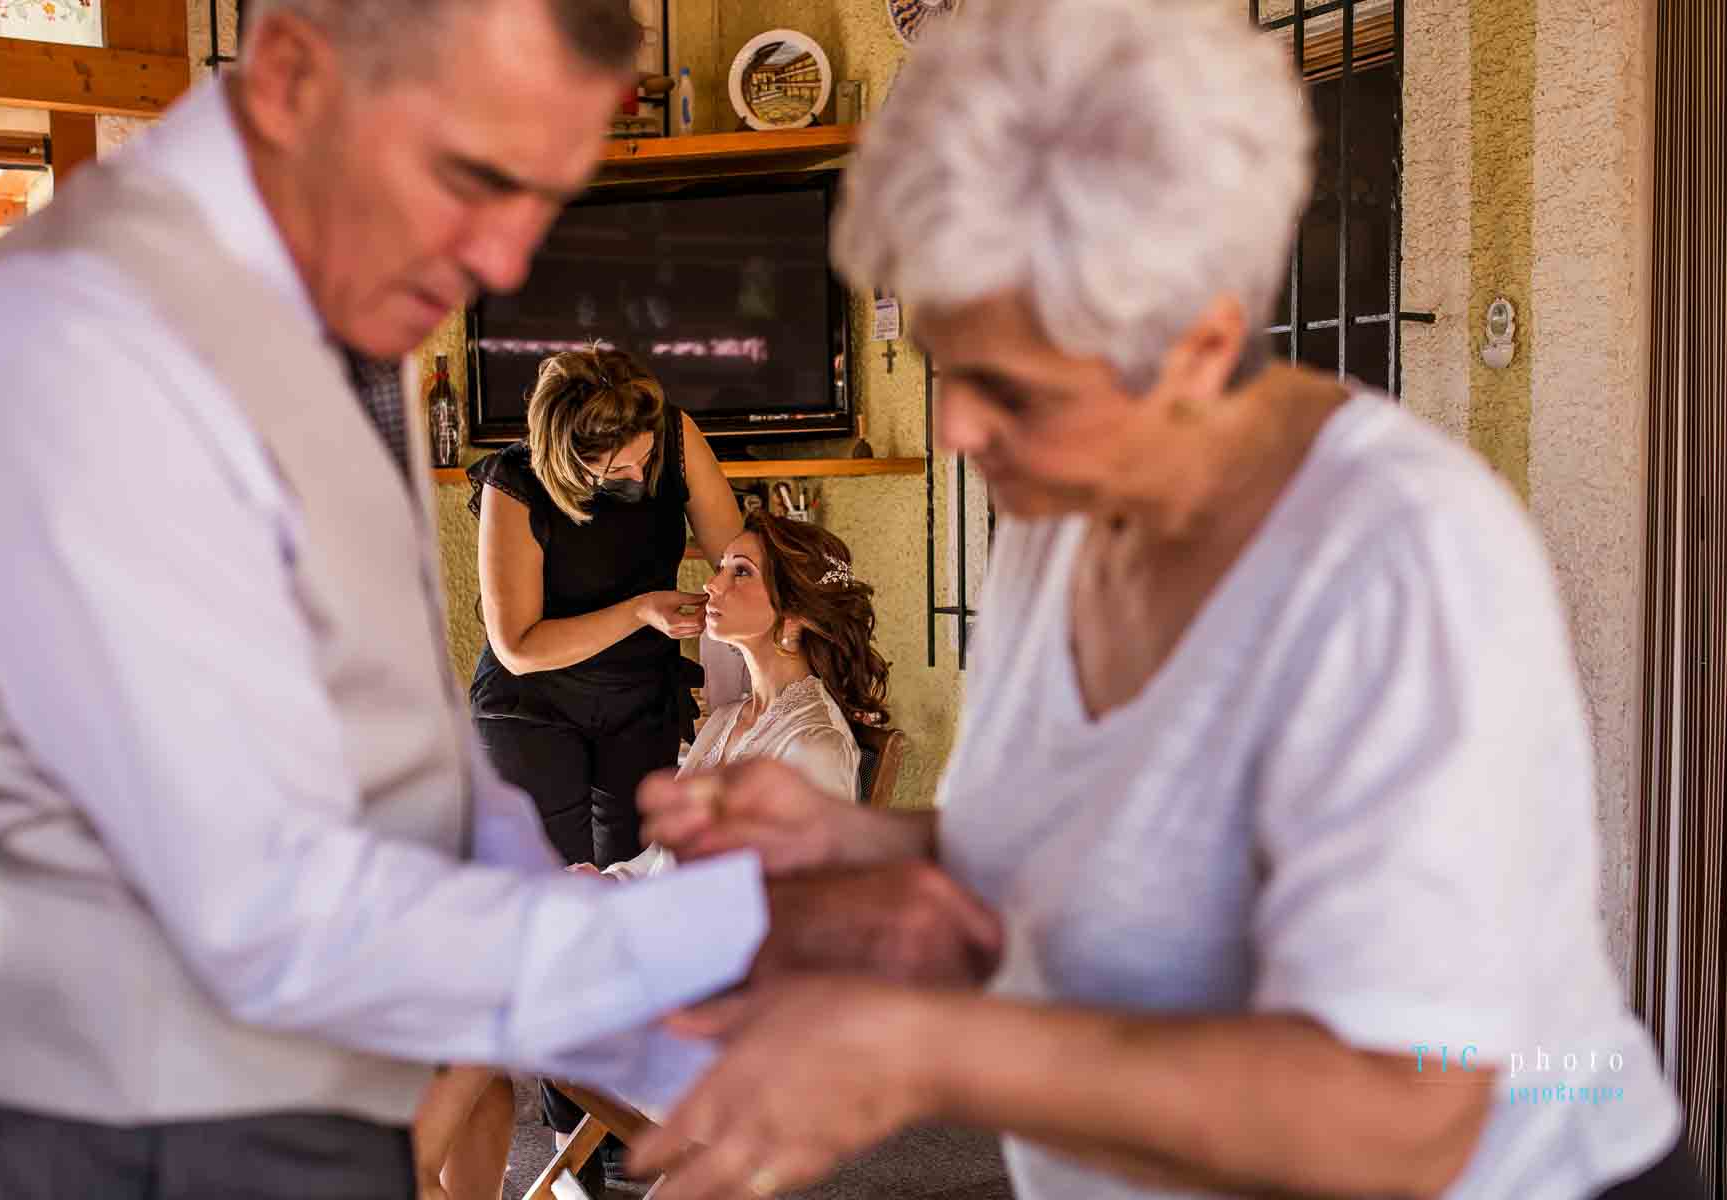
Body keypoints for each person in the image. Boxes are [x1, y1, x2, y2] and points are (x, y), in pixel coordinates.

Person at [0, 0, 1001, 1196]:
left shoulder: (340, 315)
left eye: (536, 198)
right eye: (472, 175)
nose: (497, 263)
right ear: (288, 73)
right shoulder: (78, 348)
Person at [628, 2, 1700, 1198]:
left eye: (1014, 387)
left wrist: (931, 1051)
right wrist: (861, 839)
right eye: (945, 359)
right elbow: (1102, 849)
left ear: (1199, 346)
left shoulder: (1399, 564)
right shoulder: (1062, 507)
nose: (957, 429)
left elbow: (1405, 1110)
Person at [420, 346, 743, 1197]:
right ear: (566, 456)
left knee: (622, 915)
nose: (640, 471)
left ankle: (604, 1115)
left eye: (644, 454)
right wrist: (639, 609)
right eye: (617, 465)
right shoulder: (513, 486)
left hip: (640, 701)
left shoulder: (670, 434)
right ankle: (576, 1147)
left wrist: (759, 607)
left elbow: (731, 545)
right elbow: (518, 646)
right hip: (530, 716)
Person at [600, 510, 887, 881]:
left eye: (741, 572)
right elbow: (662, 856)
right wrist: (610, 879)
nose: (712, 585)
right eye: (721, 568)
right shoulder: (726, 720)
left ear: (795, 611)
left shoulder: (816, 746)